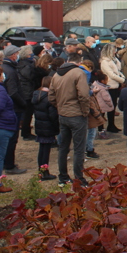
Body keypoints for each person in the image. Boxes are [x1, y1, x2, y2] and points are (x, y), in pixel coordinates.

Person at [49, 52, 90, 187]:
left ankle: (63, 176)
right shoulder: (79, 73)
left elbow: (51, 96)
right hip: (76, 114)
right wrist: (85, 111)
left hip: (63, 114)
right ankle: (79, 178)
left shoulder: (56, 74)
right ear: (79, 61)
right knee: (79, 148)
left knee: (63, 147)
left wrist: (60, 107)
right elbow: (84, 95)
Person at [1, 45, 27, 175]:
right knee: (12, 137)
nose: (18, 55)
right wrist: (23, 104)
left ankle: (6, 162)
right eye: (17, 53)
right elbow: (13, 92)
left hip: (8, 107)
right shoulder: (10, 70)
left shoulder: (5, 67)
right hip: (13, 108)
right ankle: (9, 165)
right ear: (12, 55)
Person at [32, 76, 58, 181]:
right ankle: (45, 172)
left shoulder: (37, 95)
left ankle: (41, 170)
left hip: (40, 125)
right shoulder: (49, 98)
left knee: (42, 149)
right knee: (46, 151)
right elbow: (53, 116)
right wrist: (57, 127)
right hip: (48, 126)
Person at [100, 44, 125, 133]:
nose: (115, 52)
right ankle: (101, 126)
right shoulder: (105, 62)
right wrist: (122, 80)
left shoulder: (114, 60)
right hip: (109, 85)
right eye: (113, 50)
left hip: (115, 85)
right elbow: (111, 74)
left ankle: (111, 125)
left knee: (113, 106)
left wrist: (122, 77)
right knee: (104, 107)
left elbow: (118, 71)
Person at [17, 45, 37, 141]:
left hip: (27, 91)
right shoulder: (26, 65)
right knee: (27, 114)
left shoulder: (24, 63)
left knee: (27, 113)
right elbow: (30, 76)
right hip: (27, 92)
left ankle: (26, 131)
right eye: (30, 53)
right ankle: (26, 133)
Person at [86, 71, 108, 159]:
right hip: (91, 116)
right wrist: (99, 117)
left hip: (89, 115)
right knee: (90, 133)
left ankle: (87, 148)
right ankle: (89, 150)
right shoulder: (88, 93)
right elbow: (92, 106)